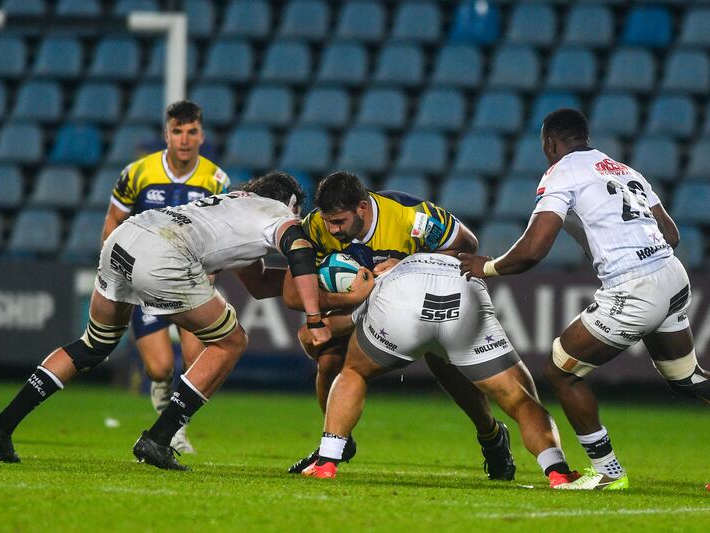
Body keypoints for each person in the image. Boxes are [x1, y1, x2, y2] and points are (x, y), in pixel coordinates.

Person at [0, 172, 358, 470]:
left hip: (127, 237)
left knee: (94, 343)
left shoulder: (233, 204)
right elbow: (299, 254)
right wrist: (315, 314)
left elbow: (258, 284)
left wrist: (312, 286)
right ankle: (159, 437)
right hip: (165, 253)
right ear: (291, 203)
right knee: (231, 341)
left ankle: (2, 424)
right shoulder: (277, 214)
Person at [459, 108, 710, 490]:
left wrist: (487, 268)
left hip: (635, 287)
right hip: (672, 275)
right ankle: (609, 472)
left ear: (550, 143)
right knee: (687, 378)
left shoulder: (562, 172)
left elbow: (532, 250)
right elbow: (671, 234)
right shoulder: (625, 170)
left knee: (561, 371)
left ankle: (608, 473)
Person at [283, 172, 517, 481]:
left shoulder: (413, 217)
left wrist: (411, 262)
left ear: (362, 208)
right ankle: (337, 444)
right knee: (327, 356)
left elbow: (467, 247)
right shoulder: (315, 227)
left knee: (446, 367)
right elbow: (290, 293)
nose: (332, 229)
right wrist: (347, 296)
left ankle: (491, 436)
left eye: (339, 221)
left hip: (418, 300)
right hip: (366, 302)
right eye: (328, 221)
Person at [299, 253, 580, 487]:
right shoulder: (420, 256)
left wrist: (312, 329)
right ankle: (558, 471)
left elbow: (335, 327)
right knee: (521, 400)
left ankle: (326, 461)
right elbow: (467, 246)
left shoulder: (378, 280)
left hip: (401, 306)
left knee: (354, 372)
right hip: (464, 294)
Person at [102, 100, 229, 453]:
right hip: (147, 283)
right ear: (166, 135)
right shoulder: (138, 173)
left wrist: (213, 272)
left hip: (191, 282)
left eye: (191, 132)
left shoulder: (216, 180)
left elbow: (221, 233)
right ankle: (161, 397)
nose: (184, 139)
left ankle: (175, 429)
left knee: (196, 359)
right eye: (177, 132)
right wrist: (114, 263)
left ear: (201, 136)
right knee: (158, 368)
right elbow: (114, 220)